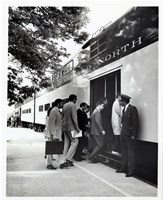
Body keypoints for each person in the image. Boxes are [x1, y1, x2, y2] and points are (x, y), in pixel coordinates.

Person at [116, 94, 138, 177]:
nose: (119, 102)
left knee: (130, 153)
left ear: (124, 101)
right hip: (123, 134)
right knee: (124, 152)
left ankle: (131, 171)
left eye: (120, 101)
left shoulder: (132, 109)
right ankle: (123, 168)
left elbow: (135, 123)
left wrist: (133, 135)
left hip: (129, 135)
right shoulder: (124, 109)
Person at [60, 94, 80, 169]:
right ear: (74, 99)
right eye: (76, 99)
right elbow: (74, 117)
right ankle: (68, 159)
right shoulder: (73, 105)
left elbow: (62, 116)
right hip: (71, 127)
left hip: (64, 127)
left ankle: (64, 159)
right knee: (75, 141)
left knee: (67, 143)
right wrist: (77, 127)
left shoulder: (65, 105)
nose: (76, 101)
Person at [45, 99, 63, 170]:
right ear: (58, 104)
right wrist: (53, 134)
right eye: (61, 103)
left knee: (59, 148)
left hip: (57, 133)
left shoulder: (57, 111)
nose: (62, 104)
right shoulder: (53, 111)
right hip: (54, 134)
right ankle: (49, 164)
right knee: (50, 150)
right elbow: (51, 124)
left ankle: (61, 163)